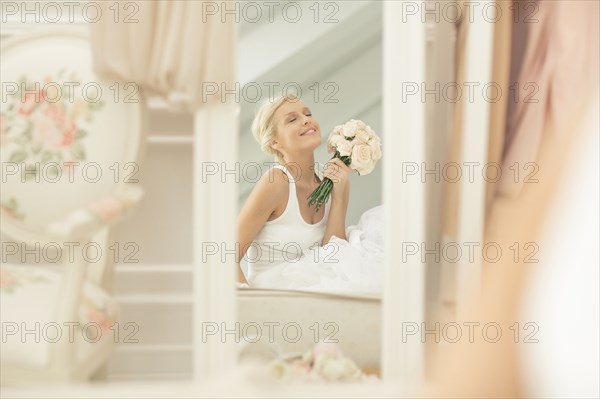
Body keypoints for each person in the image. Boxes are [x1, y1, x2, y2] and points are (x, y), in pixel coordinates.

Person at [236, 94, 352, 285]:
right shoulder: (276, 183)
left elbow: (333, 260)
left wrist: (339, 198)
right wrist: (250, 310)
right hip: (270, 305)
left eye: (308, 114)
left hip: (314, 301)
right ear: (275, 142)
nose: (306, 120)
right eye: (292, 119)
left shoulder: (334, 181)